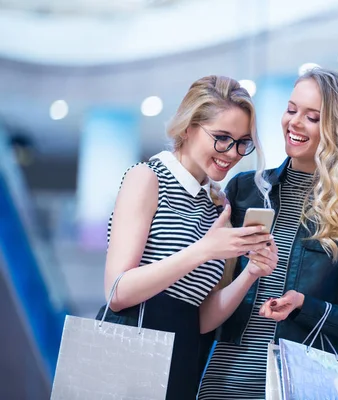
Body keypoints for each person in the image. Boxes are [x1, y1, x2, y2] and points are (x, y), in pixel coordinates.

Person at [199, 68, 338, 399]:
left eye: (312, 117)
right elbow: (208, 285)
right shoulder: (244, 191)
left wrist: (305, 306)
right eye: (291, 110)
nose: (295, 123)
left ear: (337, 130)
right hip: (224, 380)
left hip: (298, 385)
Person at [95, 76, 278, 400]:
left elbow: (201, 318)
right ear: (189, 127)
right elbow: (117, 291)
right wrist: (203, 250)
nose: (232, 153)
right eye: (222, 138)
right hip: (128, 352)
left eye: (242, 142)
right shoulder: (147, 177)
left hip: (182, 355)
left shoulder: (217, 206)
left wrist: (250, 273)